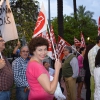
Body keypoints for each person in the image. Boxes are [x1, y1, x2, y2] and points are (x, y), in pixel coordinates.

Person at [88, 36, 100, 100]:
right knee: (95, 95)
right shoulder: (94, 51)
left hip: (96, 76)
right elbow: (93, 68)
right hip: (95, 78)